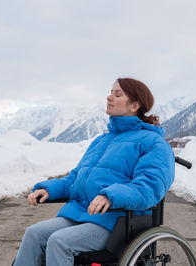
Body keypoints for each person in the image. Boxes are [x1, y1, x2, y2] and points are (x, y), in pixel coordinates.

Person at [13, 78, 175, 266]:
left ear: (135, 105)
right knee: (33, 234)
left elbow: (150, 187)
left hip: (116, 221)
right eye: (111, 92)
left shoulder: (153, 143)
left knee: (59, 242)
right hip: (81, 214)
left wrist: (111, 196)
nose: (109, 97)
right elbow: (76, 177)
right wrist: (50, 189)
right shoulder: (101, 141)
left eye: (118, 94)